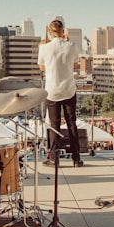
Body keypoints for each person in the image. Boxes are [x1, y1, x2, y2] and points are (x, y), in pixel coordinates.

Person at [38, 19, 83, 167]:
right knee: (71, 123)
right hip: (68, 89)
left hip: (52, 90)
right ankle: (76, 158)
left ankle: (54, 158)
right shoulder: (72, 46)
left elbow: (42, 68)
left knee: (54, 124)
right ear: (63, 31)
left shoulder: (44, 48)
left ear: (50, 33)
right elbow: (75, 65)